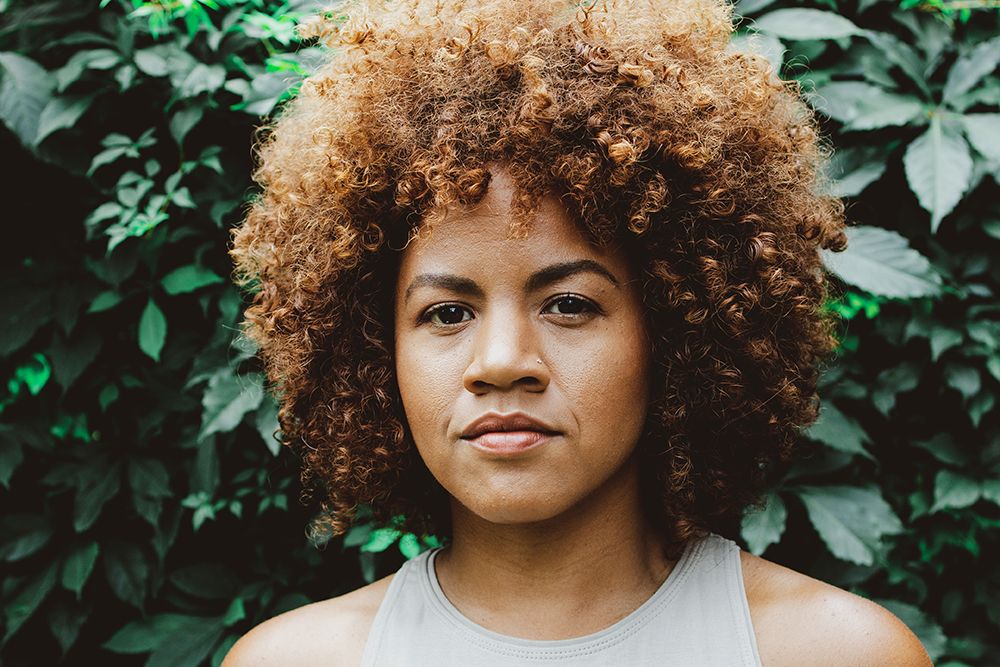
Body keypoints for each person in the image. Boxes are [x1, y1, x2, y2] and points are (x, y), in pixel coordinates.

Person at [223, 0, 933, 665]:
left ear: (677, 332)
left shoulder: (834, 652)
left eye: (568, 304)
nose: (501, 363)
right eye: (447, 313)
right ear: (376, 355)